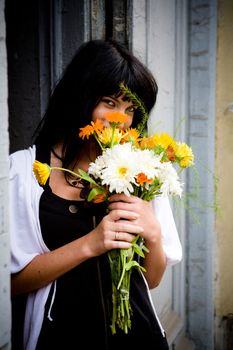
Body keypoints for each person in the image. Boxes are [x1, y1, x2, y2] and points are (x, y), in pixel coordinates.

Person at [10, 39, 182, 350]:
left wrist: (154, 234)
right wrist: (91, 243)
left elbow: (151, 280)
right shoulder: (24, 171)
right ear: (80, 98)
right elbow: (13, 282)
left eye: (130, 108)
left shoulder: (141, 168)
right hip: (59, 337)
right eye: (109, 102)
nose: (121, 119)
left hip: (139, 338)